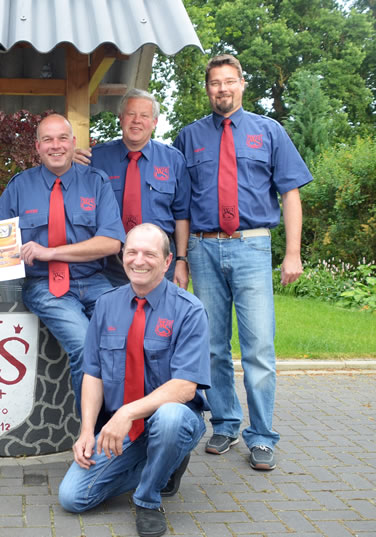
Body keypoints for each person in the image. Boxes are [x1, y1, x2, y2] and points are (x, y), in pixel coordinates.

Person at [173, 54, 313, 471]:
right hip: (203, 248)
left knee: (259, 348)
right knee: (212, 346)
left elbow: (290, 194)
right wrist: (180, 257)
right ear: (207, 89)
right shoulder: (188, 137)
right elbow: (179, 204)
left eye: (229, 81)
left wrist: (292, 253)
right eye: (215, 82)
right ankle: (225, 423)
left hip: (251, 246)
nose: (222, 89)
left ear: (242, 84)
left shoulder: (269, 131)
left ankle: (263, 436)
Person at [0, 114, 125, 411]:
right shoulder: (21, 186)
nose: (56, 145)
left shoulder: (96, 182)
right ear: (37, 146)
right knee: (85, 344)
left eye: (62, 138)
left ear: (73, 143)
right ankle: (93, 431)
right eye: (48, 139)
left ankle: (126, 421)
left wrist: (50, 252)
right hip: (45, 286)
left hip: (95, 282)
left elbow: (111, 242)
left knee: (121, 342)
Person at [58, 223, 210, 537]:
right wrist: (87, 431)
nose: (139, 260)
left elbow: (185, 387)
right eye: (132, 252)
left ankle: (148, 499)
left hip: (169, 419)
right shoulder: (106, 305)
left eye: (149, 254)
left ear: (167, 262)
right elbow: (93, 373)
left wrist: (128, 412)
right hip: (122, 429)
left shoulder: (189, 310)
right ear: (123, 256)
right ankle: (165, 463)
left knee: (170, 418)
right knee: (73, 497)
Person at [77, 89, 190, 288]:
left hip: (159, 261)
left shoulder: (173, 159)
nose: (137, 120)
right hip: (110, 265)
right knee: (113, 309)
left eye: (144, 115)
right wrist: (67, 160)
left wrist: (181, 259)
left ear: (154, 122)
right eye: (131, 114)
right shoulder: (95, 159)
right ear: (121, 118)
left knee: (159, 308)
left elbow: (182, 215)